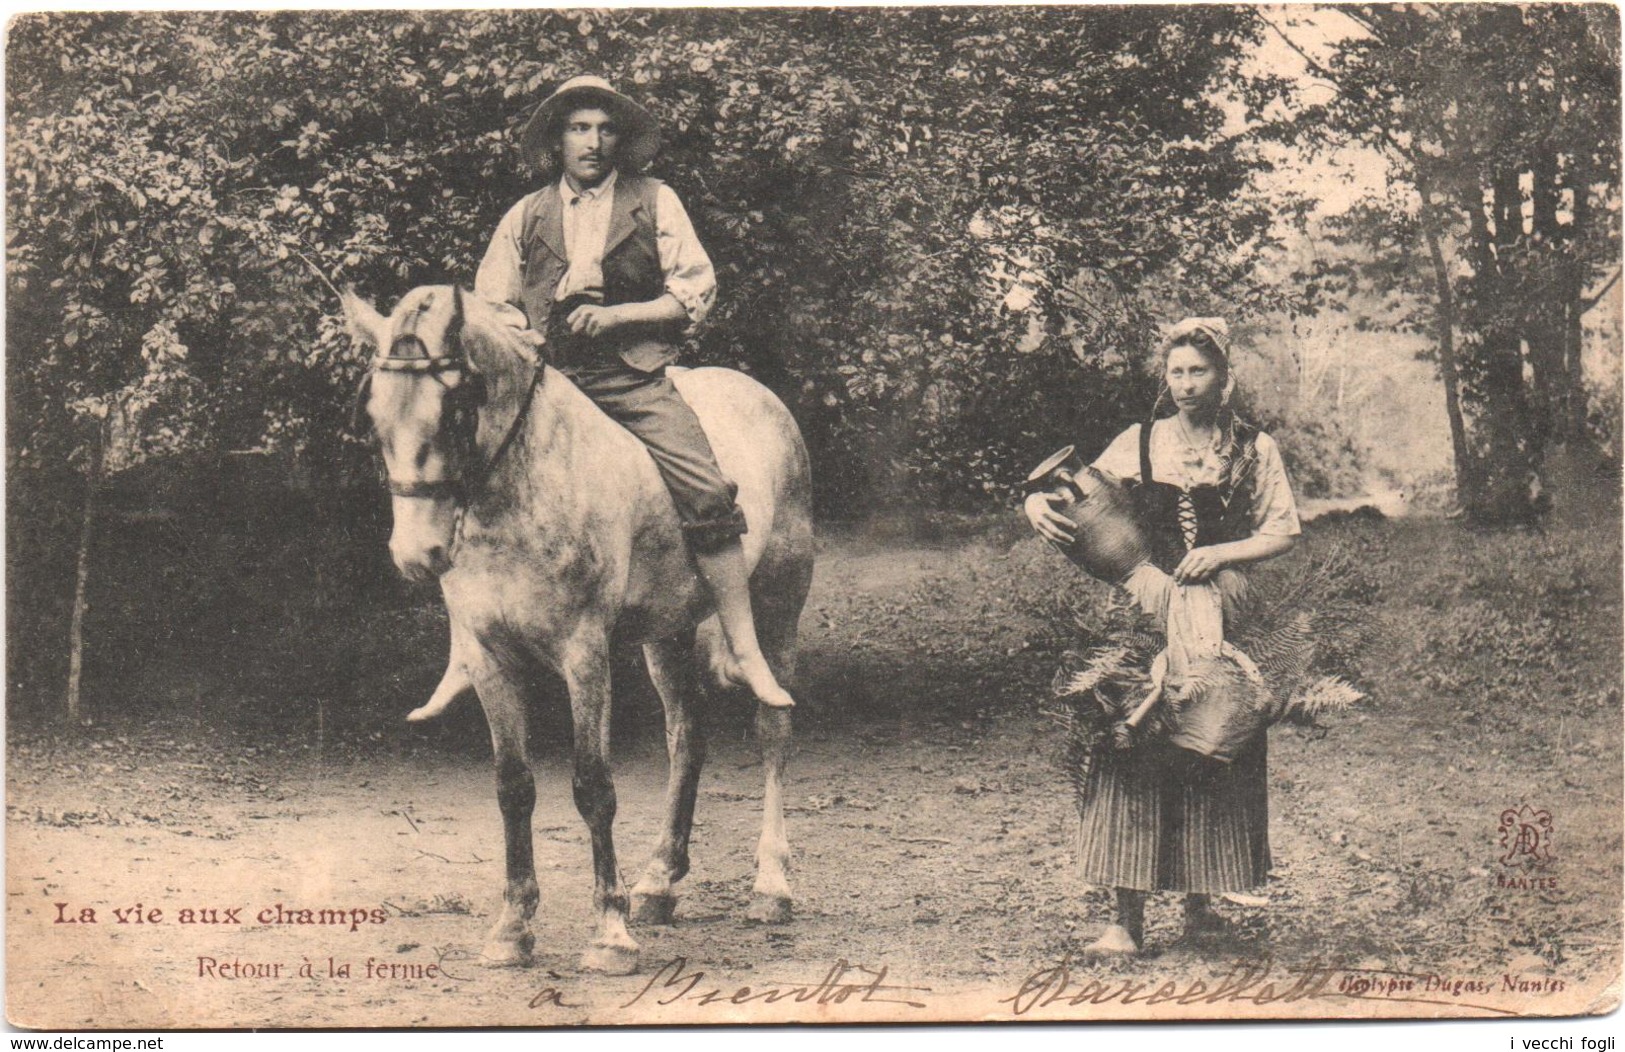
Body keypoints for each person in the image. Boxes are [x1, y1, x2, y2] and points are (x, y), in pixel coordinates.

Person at [474, 75, 793, 709]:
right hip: (549, 384)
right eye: (578, 128)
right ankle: (469, 647)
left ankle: (744, 647)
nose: (592, 142)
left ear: (621, 139)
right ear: (557, 140)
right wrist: (526, 337)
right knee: (470, 477)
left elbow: (694, 290)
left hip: (631, 376)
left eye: (605, 128)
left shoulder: (654, 201)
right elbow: (492, 304)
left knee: (704, 483)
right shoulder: (527, 212)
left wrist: (620, 317)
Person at [1024, 317, 1301, 954]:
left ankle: (1204, 908)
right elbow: (1077, 495)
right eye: (1175, 371)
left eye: (1197, 371)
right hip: (1147, 604)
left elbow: (1284, 531)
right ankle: (1125, 919)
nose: (1185, 383)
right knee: (1135, 740)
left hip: (1222, 606)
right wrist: (1033, 503)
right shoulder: (1139, 441)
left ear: (1223, 376)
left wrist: (1224, 553)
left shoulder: (1254, 448)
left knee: (1215, 740)